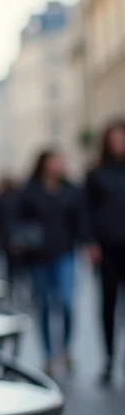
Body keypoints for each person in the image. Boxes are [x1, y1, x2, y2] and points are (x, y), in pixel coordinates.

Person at [11, 150, 88, 376]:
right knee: (43, 304)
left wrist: (87, 242)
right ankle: (47, 354)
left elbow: (81, 220)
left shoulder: (71, 190)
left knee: (66, 302)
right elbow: (17, 219)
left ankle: (64, 347)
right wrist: (17, 239)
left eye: (60, 162)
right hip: (38, 255)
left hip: (65, 253)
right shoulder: (30, 190)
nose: (57, 165)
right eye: (53, 161)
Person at [86, 121, 125, 384]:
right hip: (108, 249)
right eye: (115, 138)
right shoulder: (97, 173)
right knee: (108, 305)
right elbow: (86, 211)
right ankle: (110, 359)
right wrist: (91, 242)